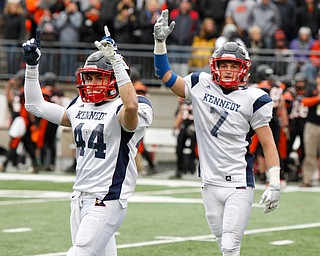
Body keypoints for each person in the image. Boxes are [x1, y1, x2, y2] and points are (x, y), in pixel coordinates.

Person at [153, 10, 281, 256]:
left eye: (234, 65)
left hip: (238, 182)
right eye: (225, 64)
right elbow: (165, 75)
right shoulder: (200, 83)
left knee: (230, 245)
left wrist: (275, 181)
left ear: (244, 69)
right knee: (222, 240)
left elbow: (268, 145)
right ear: (215, 66)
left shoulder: (255, 99)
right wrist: (160, 44)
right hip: (209, 181)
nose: (230, 70)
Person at [22, 26, 153, 255]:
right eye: (89, 77)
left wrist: (117, 63)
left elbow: (130, 107)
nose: (92, 83)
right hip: (79, 196)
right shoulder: (79, 105)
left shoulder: (132, 104)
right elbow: (35, 105)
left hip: (107, 198)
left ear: (114, 79)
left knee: (80, 251)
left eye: (98, 77)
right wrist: (32, 68)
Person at [299, 73, 320, 187]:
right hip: (312, 125)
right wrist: (317, 98)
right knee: (310, 153)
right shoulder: (312, 89)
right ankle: (308, 179)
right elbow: (305, 102)